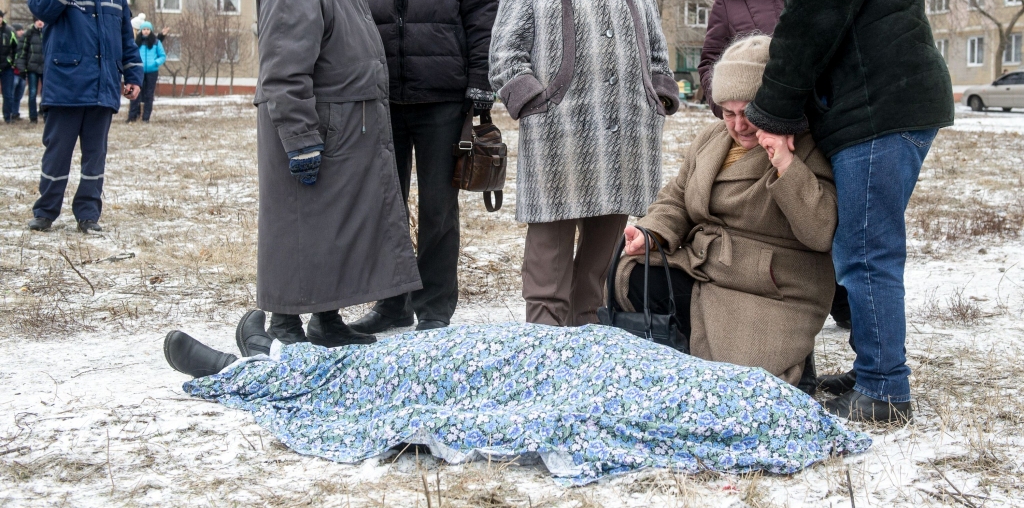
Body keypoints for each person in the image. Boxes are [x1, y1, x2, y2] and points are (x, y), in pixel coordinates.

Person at [744, 0, 955, 423]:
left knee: (866, 251)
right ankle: (874, 369)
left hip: (880, 110)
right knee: (858, 247)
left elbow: (809, 26)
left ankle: (885, 390)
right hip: (878, 105)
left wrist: (773, 113)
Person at [161, 319, 871, 483]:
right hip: (579, 354)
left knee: (416, 378)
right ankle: (280, 360)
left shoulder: (735, 421)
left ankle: (259, 370)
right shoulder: (740, 395)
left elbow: (588, 421)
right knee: (439, 350)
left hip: (552, 381)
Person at [489, 0, 679, 327]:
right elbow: (504, 55)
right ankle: (546, 336)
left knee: (603, 247)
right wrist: (537, 103)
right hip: (559, 136)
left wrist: (659, 96)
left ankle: (586, 328)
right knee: (549, 249)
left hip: (626, 135)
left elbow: (656, 51)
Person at [609, 35, 836, 391]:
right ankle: (682, 359)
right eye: (728, 113)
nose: (738, 125)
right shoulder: (711, 139)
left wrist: (786, 165)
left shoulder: (805, 146)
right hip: (708, 266)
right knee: (634, 274)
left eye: (749, 112)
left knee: (745, 385)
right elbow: (677, 198)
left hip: (770, 285)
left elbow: (820, 231)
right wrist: (652, 233)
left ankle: (796, 361)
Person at [253, 0, 422, 348]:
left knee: (328, 229)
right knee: (297, 225)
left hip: (342, 128)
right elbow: (284, 71)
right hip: (312, 129)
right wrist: (301, 139)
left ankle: (325, 318)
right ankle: (283, 324)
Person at [350, 0, 499, 335]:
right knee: (385, 207)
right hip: (380, 103)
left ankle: (435, 306)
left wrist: (481, 82)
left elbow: (484, 21)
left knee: (439, 208)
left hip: (442, 101)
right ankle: (391, 303)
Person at [699, 0, 853, 332]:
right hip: (757, 127)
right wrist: (729, 108)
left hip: (819, 123)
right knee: (777, 213)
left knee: (824, 206)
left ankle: (844, 298)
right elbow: (710, 59)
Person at [26, 0, 142, 233]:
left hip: (103, 91)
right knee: (56, 156)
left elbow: (126, 42)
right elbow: (42, 10)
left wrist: (133, 76)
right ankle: (45, 212)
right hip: (64, 90)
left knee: (94, 159)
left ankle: (88, 215)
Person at [128, 21, 165, 123]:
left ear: (151, 31)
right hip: (137, 72)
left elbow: (162, 56)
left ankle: (146, 118)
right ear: (141, 30)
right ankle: (132, 116)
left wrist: (155, 63)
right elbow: (130, 54)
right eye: (144, 29)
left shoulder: (156, 42)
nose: (146, 31)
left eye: (148, 29)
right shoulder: (136, 42)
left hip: (152, 72)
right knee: (134, 93)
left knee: (149, 95)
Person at [15, 19, 45, 124]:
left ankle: (45, 114)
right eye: (37, 20)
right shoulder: (28, 34)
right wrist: (22, 68)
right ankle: (33, 117)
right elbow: (21, 52)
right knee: (32, 93)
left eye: (41, 20)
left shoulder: (48, 32)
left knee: (45, 93)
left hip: (46, 68)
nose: (40, 22)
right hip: (32, 68)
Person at [0, 10, 18, 123]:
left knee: (8, 94)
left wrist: (12, 62)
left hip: (6, 68)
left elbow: (16, 48)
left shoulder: (9, 31)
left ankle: (8, 117)